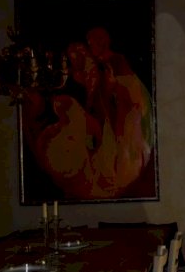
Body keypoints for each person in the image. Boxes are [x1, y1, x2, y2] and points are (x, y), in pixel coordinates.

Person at [20, 26, 154, 199]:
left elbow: (126, 107)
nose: (77, 70)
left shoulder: (110, 70)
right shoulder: (79, 92)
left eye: (80, 61)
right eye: (74, 64)